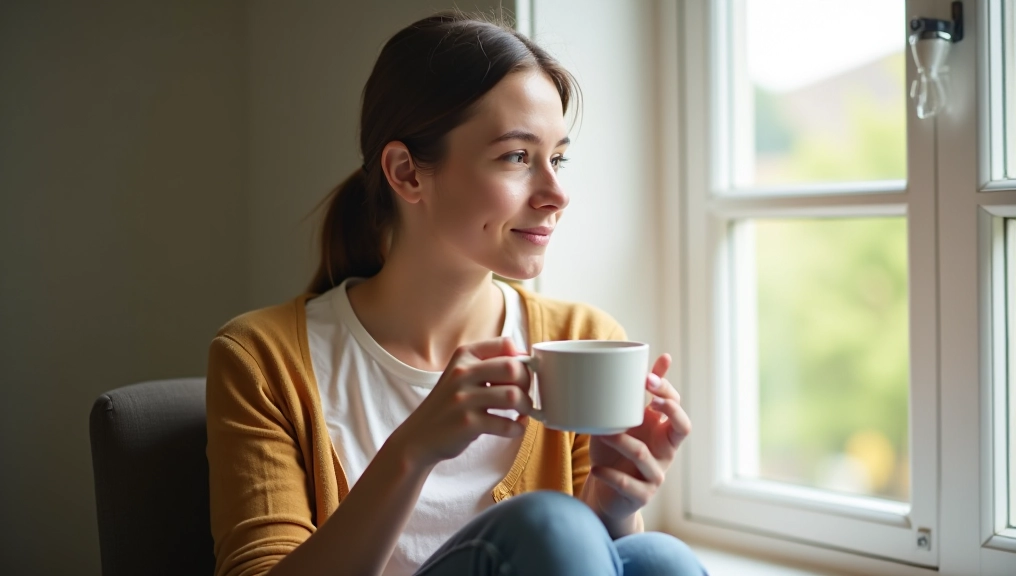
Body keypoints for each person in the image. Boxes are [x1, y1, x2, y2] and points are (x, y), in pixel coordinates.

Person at [206, 11, 708, 576]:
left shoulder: (581, 341)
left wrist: (613, 508)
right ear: (407, 173)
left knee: (655, 556)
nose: (556, 193)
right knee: (550, 523)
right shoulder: (262, 359)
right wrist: (412, 450)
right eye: (518, 157)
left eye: (558, 158)